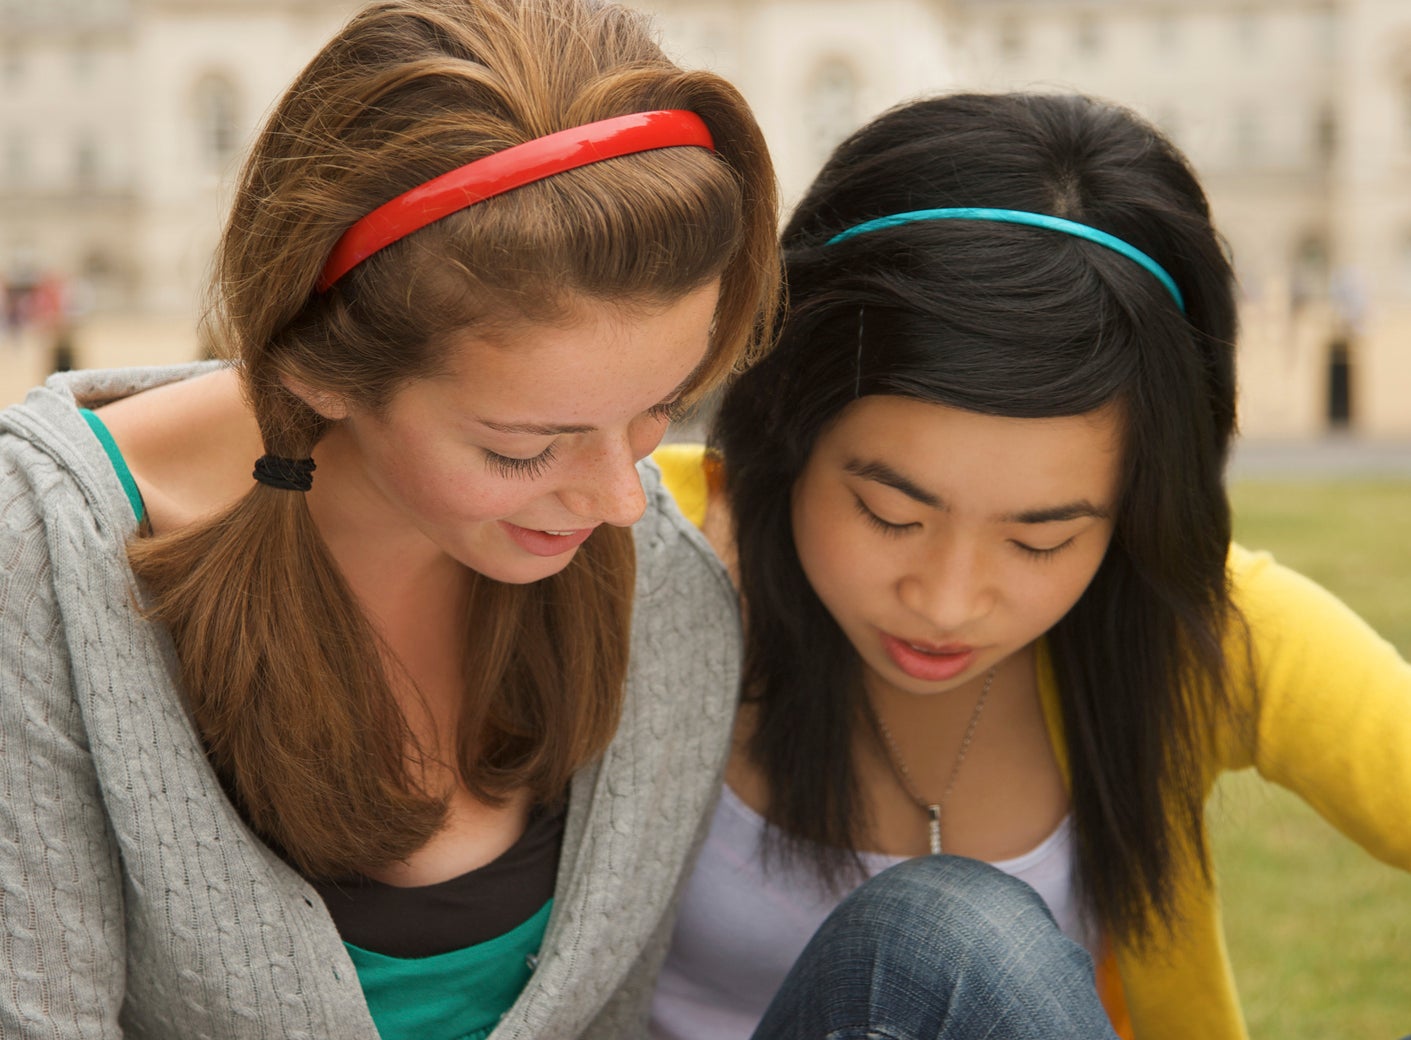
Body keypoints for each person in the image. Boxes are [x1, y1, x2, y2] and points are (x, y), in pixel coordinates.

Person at [0, 0, 781, 1036]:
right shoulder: (39, 556)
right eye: (522, 446)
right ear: (321, 367)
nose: (622, 500)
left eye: (658, 407)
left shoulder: (669, 585)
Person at [649, 91, 1411, 1040]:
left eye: (1042, 539)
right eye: (889, 513)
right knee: (949, 935)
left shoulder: (1187, 624)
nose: (948, 601)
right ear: (785, 427)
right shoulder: (626, 559)